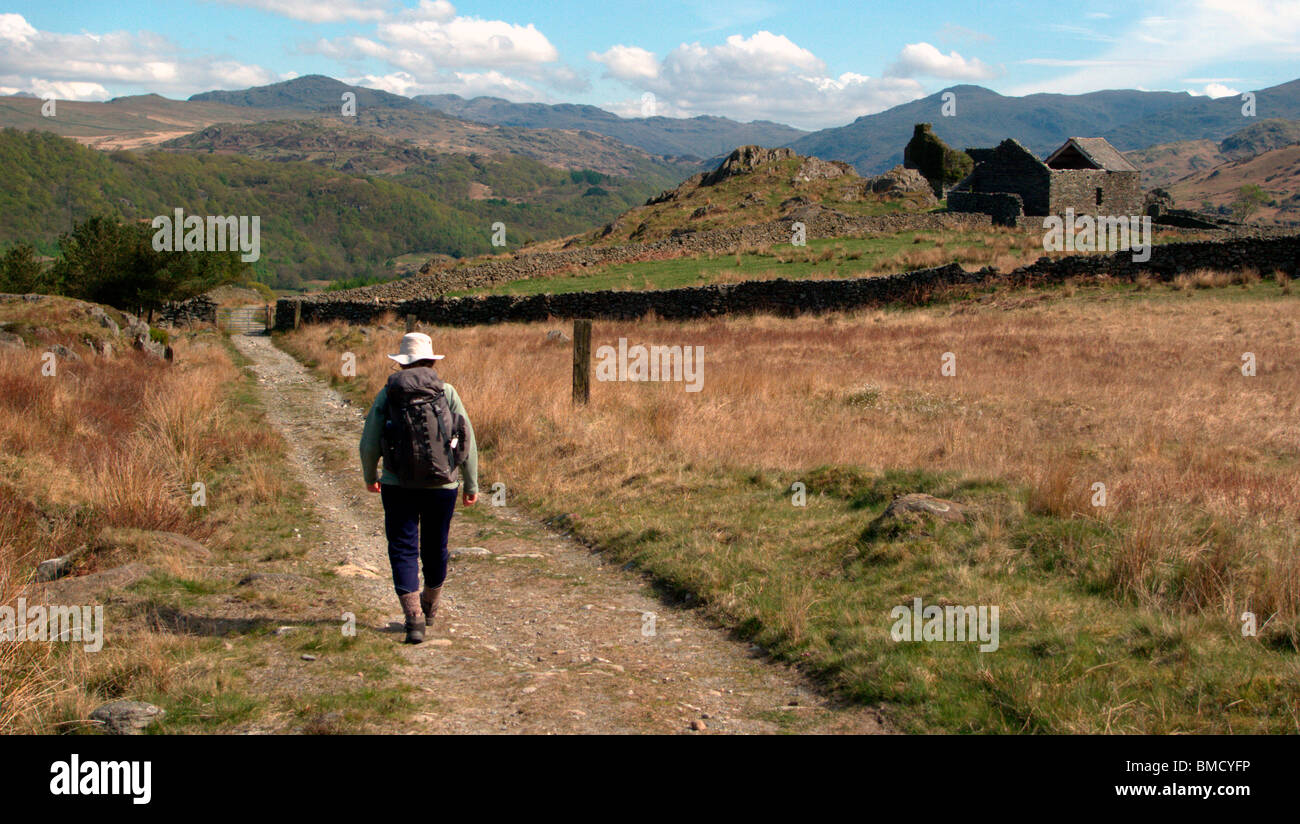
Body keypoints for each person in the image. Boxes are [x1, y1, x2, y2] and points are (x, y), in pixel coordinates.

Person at [360, 332, 478, 644]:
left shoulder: (388, 394)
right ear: (430, 360)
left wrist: (370, 474)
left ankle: (413, 618)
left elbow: (369, 440)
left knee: (402, 546)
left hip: (398, 484)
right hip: (443, 484)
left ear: (401, 363)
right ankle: (431, 604)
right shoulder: (446, 391)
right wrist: (471, 483)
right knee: (435, 546)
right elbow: (467, 438)